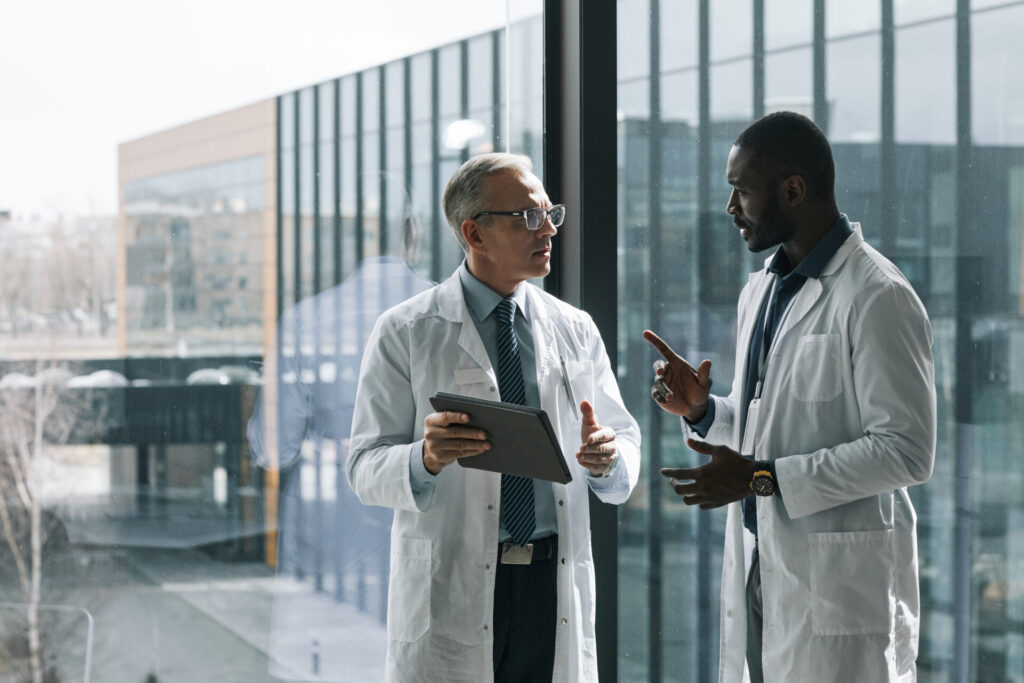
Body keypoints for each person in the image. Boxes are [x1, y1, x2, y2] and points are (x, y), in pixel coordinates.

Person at [644, 111, 936, 682]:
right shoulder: (762, 291)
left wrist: (760, 479)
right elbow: (769, 431)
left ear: (793, 190)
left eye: (741, 192)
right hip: (763, 561)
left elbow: (906, 451)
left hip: (840, 589)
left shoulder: (878, 296)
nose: (730, 210)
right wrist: (703, 411)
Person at [346, 152, 641, 682]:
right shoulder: (407, 331)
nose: (548, 228)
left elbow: (623, 440)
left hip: (551, 583)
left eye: (551, 213)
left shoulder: (574, 328)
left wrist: (608, 457)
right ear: (474, 234)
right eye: (529, 217)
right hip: (452, 582)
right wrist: (424, 458)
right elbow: (363, 466)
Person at [247, 183, 433, 680]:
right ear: (412, 235)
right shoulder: (450, 315)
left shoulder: (306, 320)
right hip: (428, 534)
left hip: (329, 546)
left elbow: (272, 447)